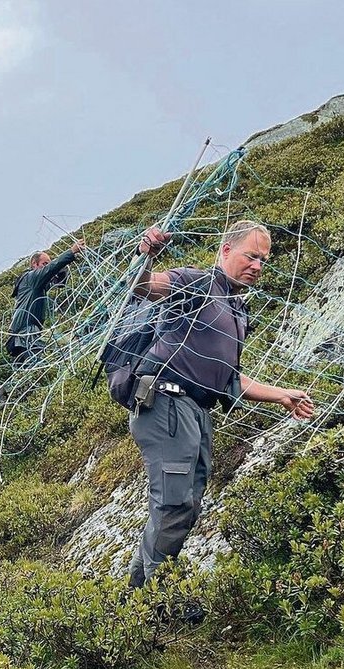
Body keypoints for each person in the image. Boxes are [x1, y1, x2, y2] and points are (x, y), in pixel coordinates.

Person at [126, 221, 314, 588]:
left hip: (197, 414)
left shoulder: (236, 310)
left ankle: (135, 596)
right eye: (251, 256)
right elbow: (143, 286)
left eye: (263, 260)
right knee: (174, 504)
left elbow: (228, 378)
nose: (258, 266)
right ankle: (161, 594)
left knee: (186, 506)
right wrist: (144, 255)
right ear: (226, 250)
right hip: (166, 406)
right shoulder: (196, 282)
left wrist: (282, 396)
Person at [5, 239, 85, 362]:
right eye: (44, 264)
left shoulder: (36, 285)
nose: (46, 267)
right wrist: (72, 251)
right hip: (26, 335)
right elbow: (50, 269)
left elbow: (57, 282)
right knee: (34, 369)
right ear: (34, 264)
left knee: (29, 371)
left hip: (25, 336)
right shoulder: (31, 278)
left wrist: (63, 269)